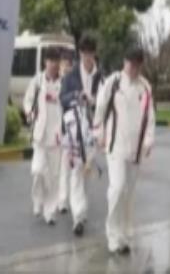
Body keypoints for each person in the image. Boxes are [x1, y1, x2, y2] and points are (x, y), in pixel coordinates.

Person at [93, 46, 155, 255]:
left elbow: (150, 116)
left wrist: (149, 140)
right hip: (115, 145)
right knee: (117, 188)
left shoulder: (145, 87)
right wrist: (98, 132)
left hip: (135, 149)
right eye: (131, 63)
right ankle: (112, 235)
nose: (133, 68)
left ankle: (124, 235)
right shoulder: (113, 82)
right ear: (124, 61)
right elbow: (100, 108)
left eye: (137, 64)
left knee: (128, 193)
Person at [59, 33, 103, 237]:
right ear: (80, 53)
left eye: (91, 54)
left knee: (86, 172)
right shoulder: (71, 76)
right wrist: (77, 95)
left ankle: (81, 209)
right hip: (74, 131)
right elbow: (62, 98)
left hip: (92, 130)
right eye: (85, 54)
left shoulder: (101, 77)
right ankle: (78, 216)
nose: (88, 58)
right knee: (76, 171)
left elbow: (106, 103)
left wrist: (94, 101)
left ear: (94, 54)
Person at [23, 47, 63, 226]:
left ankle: (50, 211)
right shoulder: (37, 81)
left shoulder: (63, 83)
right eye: (50, 61)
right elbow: (28, 101)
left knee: (54, 176)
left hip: (56, 136)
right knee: (38, 170)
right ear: (45, 62)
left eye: (56, 61)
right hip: (40, 134)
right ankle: (38, 201)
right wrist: (30, 114)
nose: (53, 64)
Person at [58, 49, 74, 214]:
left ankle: (63, 200)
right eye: (63, 64)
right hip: (54, 130)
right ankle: (58, 198)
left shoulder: (72, 84)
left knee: (67, 167)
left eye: (68, 65)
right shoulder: (54, 81)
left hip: (69, 131)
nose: (65, 68)